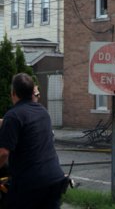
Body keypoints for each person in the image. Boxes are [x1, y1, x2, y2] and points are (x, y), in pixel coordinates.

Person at [0, 73, 66, 209]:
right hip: (55, 180)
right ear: (33, 92)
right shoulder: (43, 112)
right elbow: (25, 124)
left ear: (13, 93)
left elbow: (3, 154)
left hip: (31, 184)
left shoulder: (13, 116)